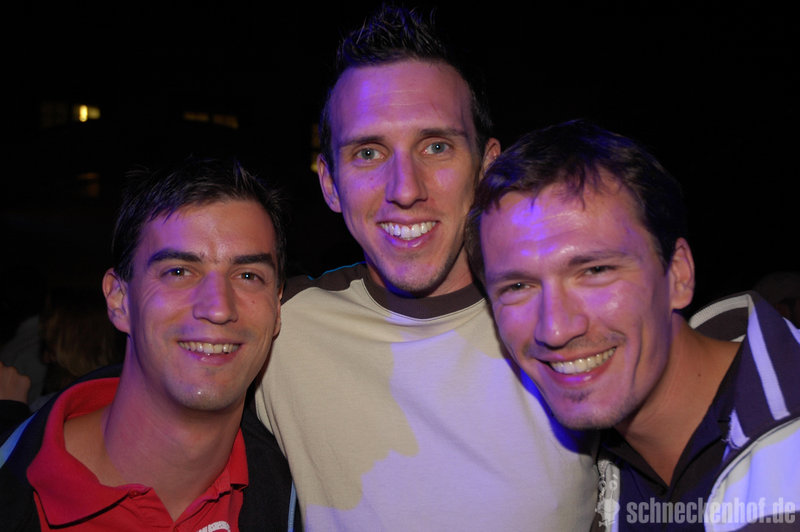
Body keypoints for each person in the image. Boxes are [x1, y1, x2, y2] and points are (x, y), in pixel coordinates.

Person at [253, 6, 596, 530]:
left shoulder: (567, 323)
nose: (406, 189)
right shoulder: (278, 330)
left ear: (487, 167)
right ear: (330, 183)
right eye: (369, 153)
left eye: (436, 147)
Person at [467, 119, 800, 530]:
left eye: (595, 270)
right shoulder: (597, 465)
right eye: (518, 286)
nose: (555, 329)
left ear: (678, 275)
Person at [1, 159, 297, 531]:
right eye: (179, 271)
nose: (219, 308)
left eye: (249, 275)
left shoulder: (304, 503)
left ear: (277, 309)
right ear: (119, 300)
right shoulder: (14, 492)